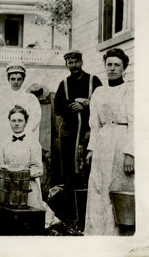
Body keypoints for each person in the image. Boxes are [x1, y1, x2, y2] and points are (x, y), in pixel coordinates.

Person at [84, 48, 134, 235]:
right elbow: (94, 125)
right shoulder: (98, 91)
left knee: (117, 189)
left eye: (117, 65)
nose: (112, 68)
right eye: (109, 64)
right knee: (98, 188)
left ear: (124, 68)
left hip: (121, 141)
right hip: (102, 144)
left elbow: (135, 122)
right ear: (105, 67)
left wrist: (130, 152)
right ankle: (97, 234)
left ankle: (116, 235)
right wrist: (91, 150)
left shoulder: (129, 90)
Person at [54, 50, 102, 221]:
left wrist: (85, 105)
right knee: (68, 173)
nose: (73, 66)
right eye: (70, 63)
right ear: (66, 65)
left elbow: (102, 103)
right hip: (68, 134)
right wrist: (74, 105)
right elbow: (58, 108)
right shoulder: (64, 84)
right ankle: (69, 215)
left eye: (76, 62)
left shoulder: (93, 81)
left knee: (87, 172)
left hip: (88, 132)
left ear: (82, 62)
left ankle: (88, 216)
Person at [0, 105, 58, 228]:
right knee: (7, 221)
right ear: (9, 121)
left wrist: (22, 173)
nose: (16, 124)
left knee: (29, 222)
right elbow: (0, 164)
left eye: (20, 121)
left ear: (26, 122)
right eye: (13, 120)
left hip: (27, 187)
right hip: (8, 187)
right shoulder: (4, 141)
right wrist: (7, 169)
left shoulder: (33, 142)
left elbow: (38, 169)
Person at [0, 60, 41, 143]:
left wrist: (22, 133)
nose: (16, 82)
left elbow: (35, 119)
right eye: (13, 79)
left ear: (23, 80)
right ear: (8, 79)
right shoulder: (1, 98)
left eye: (19, 79)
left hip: (24, 137)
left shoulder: (31, 98)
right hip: (5, 137)